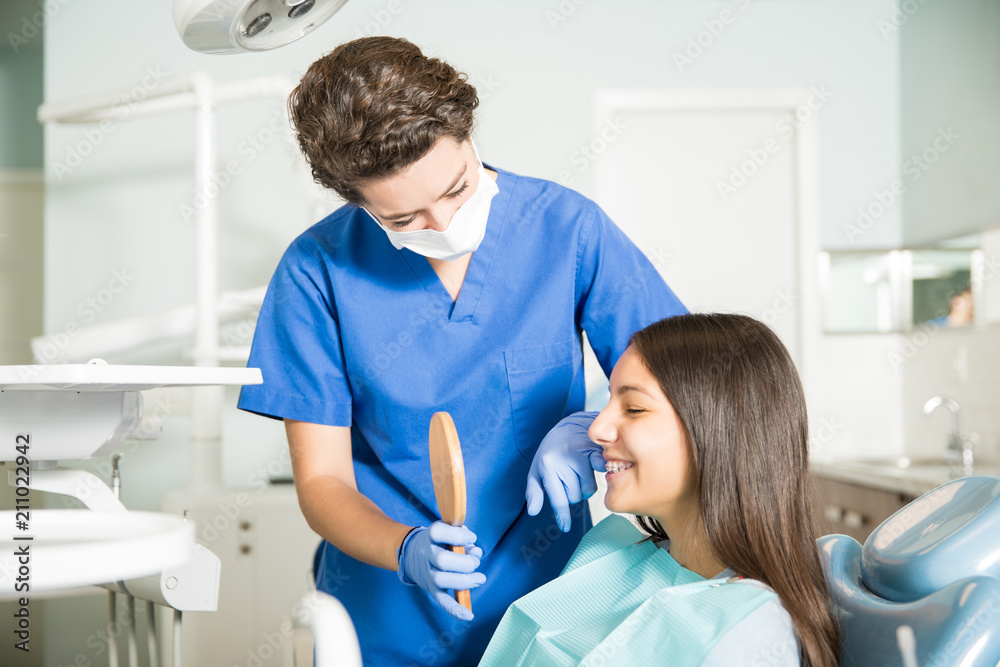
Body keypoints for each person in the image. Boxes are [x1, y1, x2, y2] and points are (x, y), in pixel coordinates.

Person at [236, 36, 687, 665]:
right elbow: (323, 481)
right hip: (383, 595)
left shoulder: (566, 229)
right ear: (354, 201)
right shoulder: (315, 272)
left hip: (548, 593)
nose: (443, 225)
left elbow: (684, 388)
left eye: (457, 189)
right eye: (403, 221)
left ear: (468, 134)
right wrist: (405, 549)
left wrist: (588, 431)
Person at [480, 313, 842, 667]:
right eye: (608, 403)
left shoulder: (747, 631)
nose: (596, 428)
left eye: (634, 408)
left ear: (718, 431)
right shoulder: (612, 548)